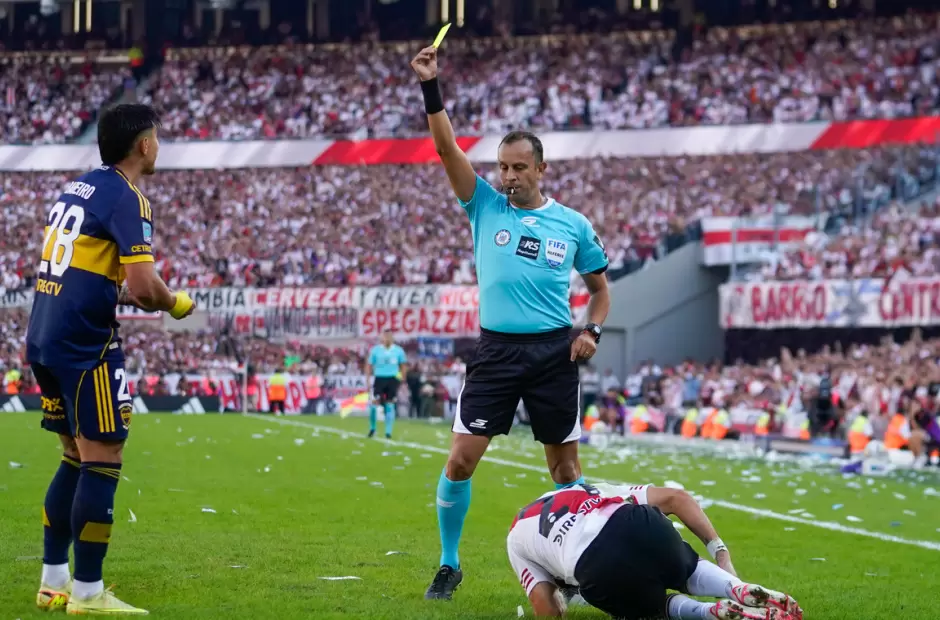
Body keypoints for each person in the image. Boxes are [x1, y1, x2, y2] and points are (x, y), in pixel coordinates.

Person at [410, 46, 612, 600]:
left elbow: (600, 293)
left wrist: (590, 331)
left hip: (553, 354)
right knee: (459, 461)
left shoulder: (572, 225)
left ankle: (588, 563)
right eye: (503, 166)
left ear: (541, 169)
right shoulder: (484, 205)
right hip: (496, 352)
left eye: (520, 167)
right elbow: (446, 147)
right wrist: (431, 86)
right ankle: (449, 564)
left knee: (565, 473)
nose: (509, 176)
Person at [27, 103, 195, 615]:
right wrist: (174, 302)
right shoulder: (128, 197)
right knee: (103, 459)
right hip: (86, 345)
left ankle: (53, 580)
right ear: (143, 145)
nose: (158, 146)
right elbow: (144, 289)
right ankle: (87, 592)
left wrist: (129, 292)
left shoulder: (76, 188)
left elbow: (89, 274)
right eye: (156, 138)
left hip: (44, 336)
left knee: (73, 457)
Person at [507, 482, 802, 620]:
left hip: (593, 563)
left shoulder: (515, 539)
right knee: (688, 568)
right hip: (636, 521)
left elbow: (548, 610)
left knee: (652, 610)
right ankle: (735, 588)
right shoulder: (583, 489)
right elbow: (676, 498)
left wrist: (561, 598)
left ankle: (710, 613)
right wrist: (721, 553)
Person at [365, 330, 408, 438]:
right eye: (384, 336)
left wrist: (402, 379)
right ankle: (372, 428)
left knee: (390, 404)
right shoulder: (376, 350)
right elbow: (369, 365)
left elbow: (403, 366)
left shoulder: (398, 350)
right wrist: (368, 380)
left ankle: (388, 432)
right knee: (374, 404)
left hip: (393, 379)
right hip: (379, 378)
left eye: (388, 336)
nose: (386, 338)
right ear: (382, 338)